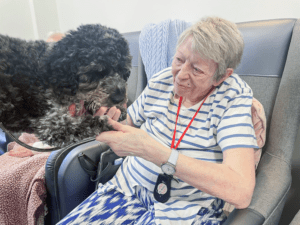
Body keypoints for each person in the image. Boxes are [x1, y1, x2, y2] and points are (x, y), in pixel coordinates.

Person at [57, 16, 258, 225]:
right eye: (179, 60)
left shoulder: (232, 99)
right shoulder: (162, 80)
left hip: (185, 211)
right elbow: (127, 125)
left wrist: (155, 152)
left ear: (221, 77)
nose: (180, 76)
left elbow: (241, 191)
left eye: (197, 70)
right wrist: (109, 116)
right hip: (126, 190)